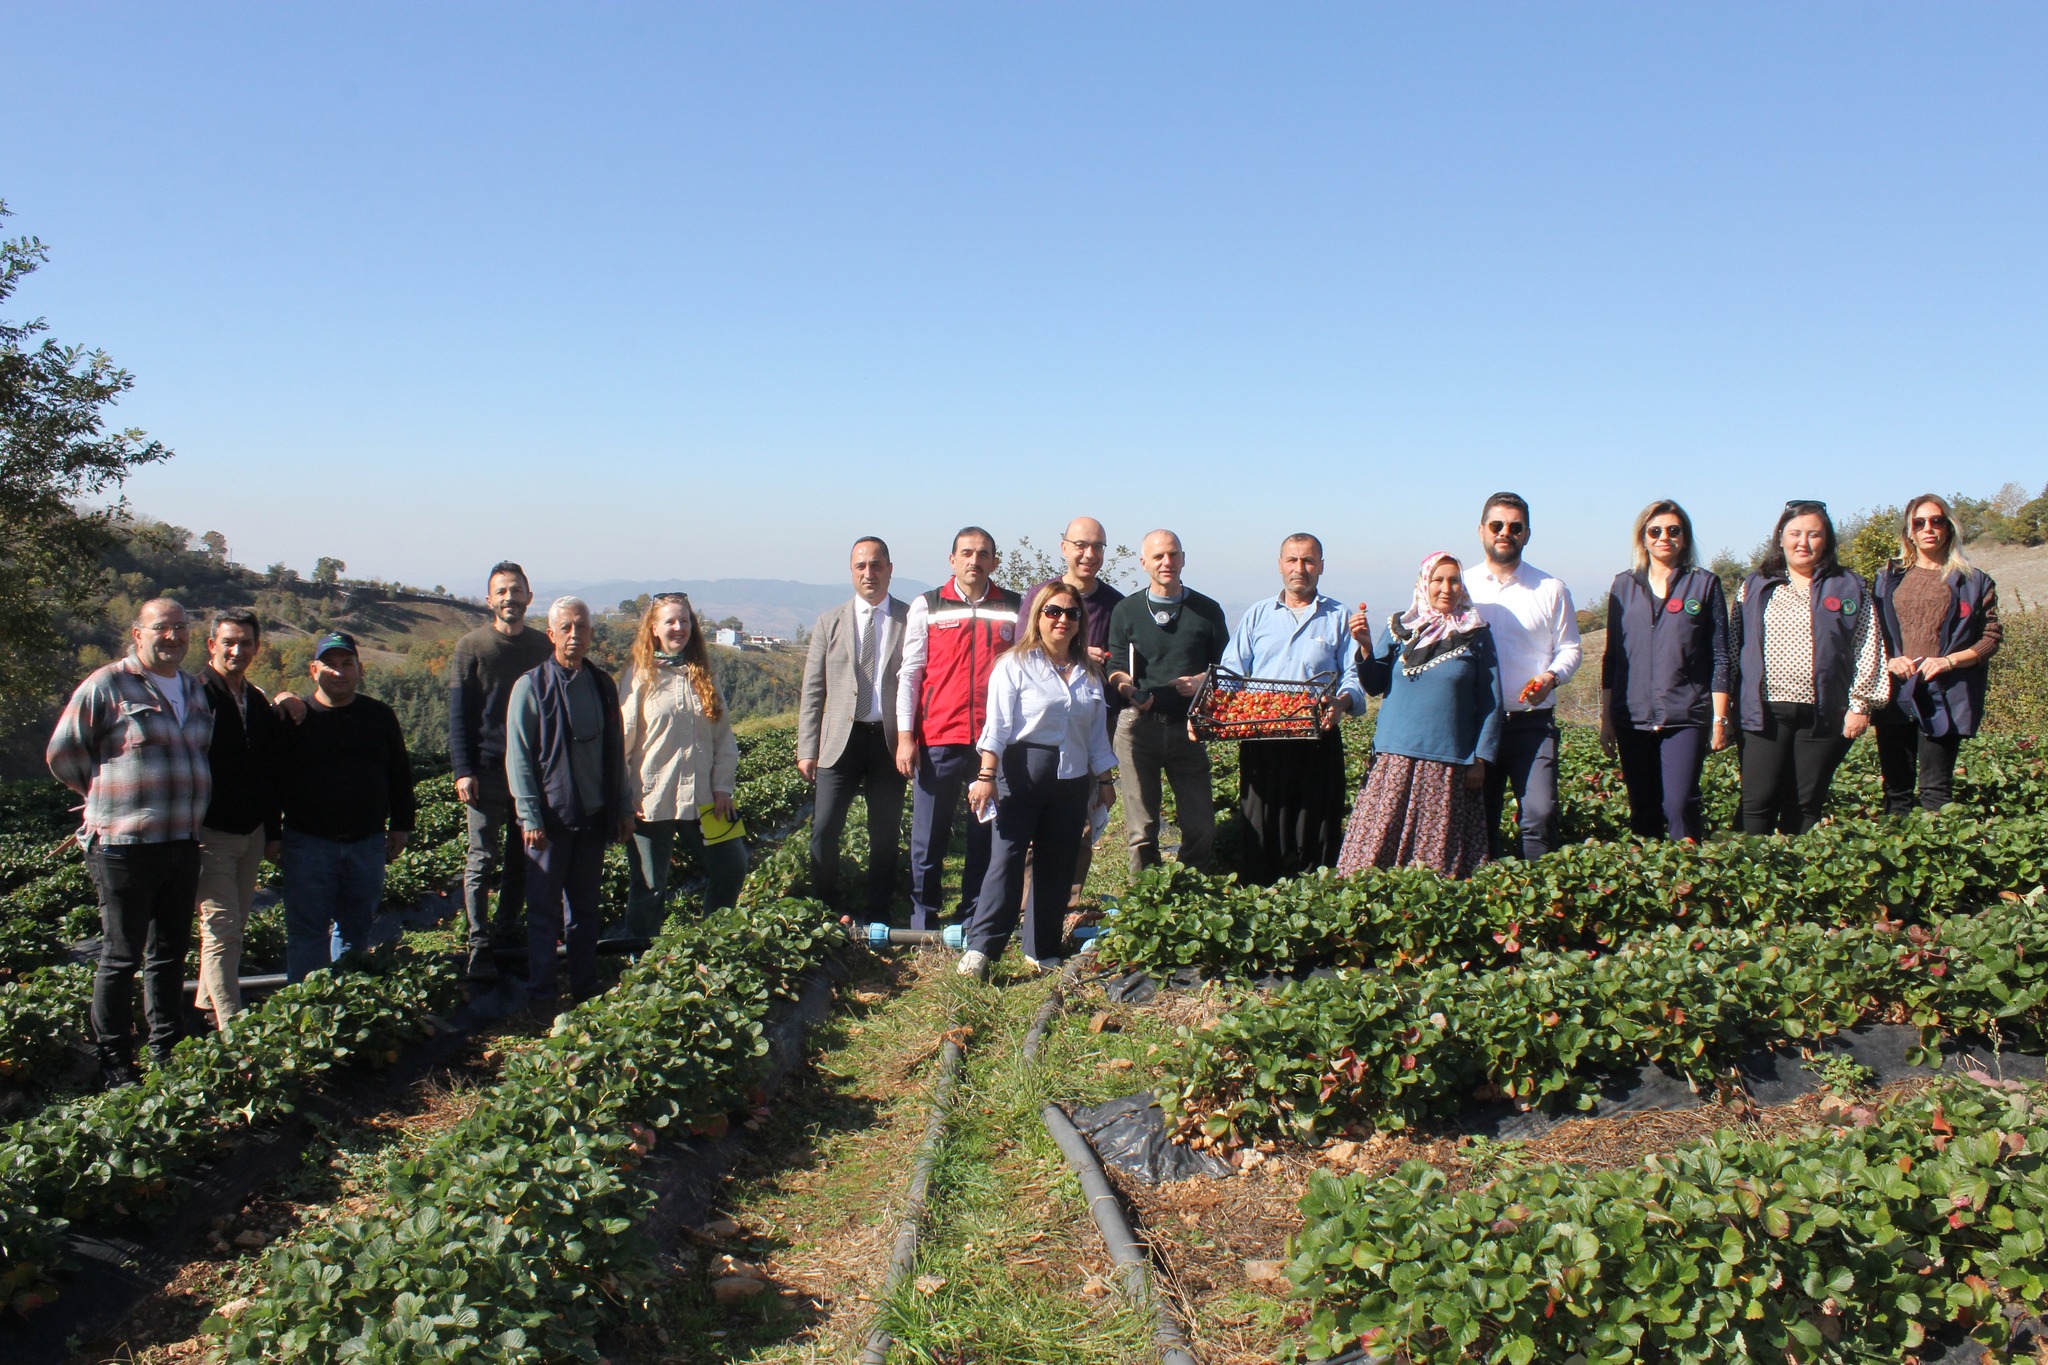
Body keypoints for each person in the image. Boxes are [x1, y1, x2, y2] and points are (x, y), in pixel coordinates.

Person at [47, 599, 213, 1086]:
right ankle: (115, 1058)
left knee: (169, 951)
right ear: (138, 633)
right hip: (124, 845)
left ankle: (166, 1045)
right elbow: (64, 752)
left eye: (181, 628)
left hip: (182, 840)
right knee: (121, 956)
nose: (172, 637)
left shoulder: (193, 690)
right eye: (161, 628)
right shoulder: (108, 684)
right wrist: (105, 794)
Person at [959, 582, 1118, 978]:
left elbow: (1097, 734)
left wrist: (1104, 779)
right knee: (1007, 859)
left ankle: (1042, 948)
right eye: (1054, 612)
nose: (1063, 620)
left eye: (1072, 613)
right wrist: (985, 776)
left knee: (1058, 862)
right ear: (1038, 617)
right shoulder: (1014, 664)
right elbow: (996, 725)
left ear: (1081, 622)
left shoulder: (1089, 674)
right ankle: (982, 948)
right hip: (1022, 772)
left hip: (1071, 777)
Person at [1338, 554, 1503, 879]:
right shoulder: (1400, 628)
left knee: (1437, 865)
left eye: (1453, 580)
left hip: (1448, 763)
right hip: (1394, 758)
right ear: (1423, 584)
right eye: (1438, 580)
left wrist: (1480, 758)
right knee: (1371, 858)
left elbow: (1491, 700)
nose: (1446, 588)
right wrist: (1366, 647)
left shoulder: (1476, 633)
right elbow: (1374, 685)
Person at [506, 598, 635, 1009]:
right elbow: (520, 758)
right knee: (543, 915)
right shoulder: (531, 687)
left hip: (593, 816)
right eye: (565, 628)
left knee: (585, 910)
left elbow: (615, 751)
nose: (574, 635)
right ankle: (542, 994)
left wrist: (622, 806)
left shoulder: (601, 685)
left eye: (581, 627)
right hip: (549, 820)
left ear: (592, 633)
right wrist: (529, 815)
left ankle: (583, 985)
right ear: (551, 635)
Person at [1219, 534, 1368, 883]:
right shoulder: (1257, 615)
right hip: (1262, 740)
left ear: (1320, 566)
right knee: (1260, 830)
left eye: (1308, 561)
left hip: (1317, 739)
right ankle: (1259, 908)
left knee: (1315, 833)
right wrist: (1214, 713)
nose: (1300, 568)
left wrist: (1342, 702)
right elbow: (1231, 673)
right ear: (1280, 564)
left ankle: (1316, 913)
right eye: (1292, 560)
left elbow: (1354, 675)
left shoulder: (1338, 617)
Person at [1730, 501, 1886, 834]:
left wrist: (1861, 705)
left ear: (1826, 541)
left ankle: (1796, 875)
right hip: (1763, 712)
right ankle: (1754, 876)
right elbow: (1733, 645)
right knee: (1757, 801)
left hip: (1824, 714)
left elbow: (1867, 645)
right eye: (1795, 533)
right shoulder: (1754, 585)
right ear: (1781, 539)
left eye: (1814, 534)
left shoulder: (1850, 586)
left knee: (1804, 803)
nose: (1804, 542)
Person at [894, 527, 1022, 930]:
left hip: (992, 743)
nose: (974, 560)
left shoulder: (1015, 608)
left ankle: (972, 919)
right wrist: (904, 737)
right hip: (938, 739)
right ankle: (923, 921)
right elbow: (911, 674)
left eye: (983, 554)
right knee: (928, 837)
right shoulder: (928, 606)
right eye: (966, 553)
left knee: (984, 835)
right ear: (952, 560)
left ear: (994, 563)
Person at [272, 632, 416, 982]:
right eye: (329, 665)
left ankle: (347, 1002)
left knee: (355, 934)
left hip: (366, 844)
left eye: (346, 664)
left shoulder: (378, 716)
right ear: (313, 670)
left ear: (359, 668)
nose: (338, 672)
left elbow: (399, 772)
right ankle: (307, 1007)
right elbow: (271, 779)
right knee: (307, 935)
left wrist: (401, 824)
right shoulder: (295, 717)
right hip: (307, 844)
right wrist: (270, 833)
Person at [1598, 501, 1733, 842]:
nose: (1664, 538)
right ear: (1642, 538)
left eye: (1674, 531)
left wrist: (1719, 720)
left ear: (1685, 538)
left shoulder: (1704, 585)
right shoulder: (1623, 585)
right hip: (1633, 717)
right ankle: (1650, 881)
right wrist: (1607, 719)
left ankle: (1687, 881)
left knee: (1679, 804)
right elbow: (1612, 657)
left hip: (1685, 715)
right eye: (1655, 531)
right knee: (1643, 809)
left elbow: (1720, 656)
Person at [447, 561, 554, 980]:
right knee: (481, 857)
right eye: (501, 591)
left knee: (521, 856)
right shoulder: (472, 647)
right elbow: (460, 714)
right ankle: (478, 941)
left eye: (516, 590)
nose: (510, 598)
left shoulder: (542, 648)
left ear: (529, 595)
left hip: (529, 773)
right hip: (487, 770)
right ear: (489, 599)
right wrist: (463, 769)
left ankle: (507, 930)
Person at [618, 593, 747, 938]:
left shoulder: (704, 676)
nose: (679, 628)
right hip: (650, 801)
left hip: (704, 796)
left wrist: (723, 787)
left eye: (685, 621)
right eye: (671, 621)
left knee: (733, 864)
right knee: (649, 887)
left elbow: (724, 739)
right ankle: (640, 960)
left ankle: (714, 938)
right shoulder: (638, 677)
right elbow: (621, 742)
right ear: (654, 629)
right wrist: (624, 797)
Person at [1015, 517, 1126, 908]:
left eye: (1097, 546)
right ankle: (1027, 904)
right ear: (1064, 547)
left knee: (1082, 818)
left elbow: (1126, 665)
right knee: (1034, 819)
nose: (1089, 554)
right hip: (1040, 728)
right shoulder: (1040, 597)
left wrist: (1108, 669)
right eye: (1081, 545)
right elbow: (1022, 655)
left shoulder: (1116, 605)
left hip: (1091, 725)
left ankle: (1067, 903)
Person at [1104, 530, 1230, 875]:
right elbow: (1115, 666)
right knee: (1142, 830)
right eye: (1158, 556)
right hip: (1137, 729)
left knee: (1202, 826)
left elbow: (1227, 668)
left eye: (1173, 555)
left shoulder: (1206, 611)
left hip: (1189, 729)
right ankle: (1145, 904)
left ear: (1183, 558)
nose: (1166, 562)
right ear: (1144, 562)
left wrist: (1203, 681)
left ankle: (1190, 891)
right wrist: (1128, 690)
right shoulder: (1127, 610)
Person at [1466, 492, 1581, 861]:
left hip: (1532, 724)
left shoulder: (1551, 588)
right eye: (1497, 525)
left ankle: (1539, 896)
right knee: (1479, 820)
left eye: (1515, 527)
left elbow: (1570, 648)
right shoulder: (1460, 587)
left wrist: (1550, 677)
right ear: (1481, 530)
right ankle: (1488, 898)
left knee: (1540, 814)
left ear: (1527, 534)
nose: (1505, 533)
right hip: (1477, 724)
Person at [1872, 494, 2003, 814]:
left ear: (1949, 528)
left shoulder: (1973, 581)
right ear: (1909, 532)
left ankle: (1935, 859)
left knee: (1936, 791)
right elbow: (1870, 634)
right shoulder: (1887, 579)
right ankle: (1894, 860)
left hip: (1944, 693)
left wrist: (1948, 661)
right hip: (1896, 691)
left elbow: (1991, 637)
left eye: (1936, 521)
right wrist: (1888, 659)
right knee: (1896, 790)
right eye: (1919, 523)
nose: (1928, 528)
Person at [799, 537, 908, 921]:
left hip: (888, 742)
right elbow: (814, 689)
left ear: (889, 569)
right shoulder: (829, 622)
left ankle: (878, 910)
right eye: (861, 566)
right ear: (851, 571)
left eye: (876, 565)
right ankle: (825, 906)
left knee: (885, 832)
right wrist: (807, 747)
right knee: (825, 827)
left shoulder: (909, 620)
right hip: (839, 742)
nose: (869, 573)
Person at [195, 608, 283, 1026]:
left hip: (250, 831)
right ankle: (232, 1025)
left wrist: (271, 830)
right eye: (228, 642)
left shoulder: (255, 699)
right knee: (222, 926)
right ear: (212, 645)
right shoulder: (197, 696)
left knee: (234, 922)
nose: (237, 650)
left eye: (245, 643)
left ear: (256, 648)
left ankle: (203, 1005)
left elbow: (268, 765)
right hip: (210, 831)